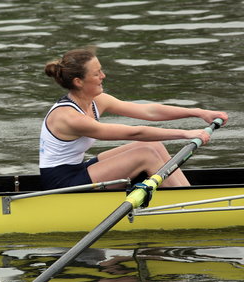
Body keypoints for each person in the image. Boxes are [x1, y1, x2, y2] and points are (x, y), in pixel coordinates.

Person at [39, 47, 228, 190]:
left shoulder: (96, 100)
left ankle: (185, 191)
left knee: (153, 146)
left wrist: (198, 112)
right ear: (78, 82)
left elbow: (149, 111)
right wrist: (185, 133)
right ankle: (186, 202)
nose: (103, 76)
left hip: (77, 169)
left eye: (101, 70)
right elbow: (135, 131)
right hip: (61, 183)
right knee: (145, 153)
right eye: (96, 74)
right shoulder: (69, 117)